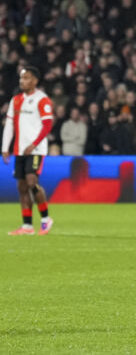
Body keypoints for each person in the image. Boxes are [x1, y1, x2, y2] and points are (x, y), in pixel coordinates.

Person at [2, 67, 55, 235]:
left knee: (32, 182)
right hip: (19, 150)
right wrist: (5, 147)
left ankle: (46, 219)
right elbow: (9, 125)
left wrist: (34, 144)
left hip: (36, 149)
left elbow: (47, 125)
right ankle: (27, 226)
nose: (22, 81)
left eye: (26, 78)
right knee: (22, 187)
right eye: (21, 78)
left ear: (35, 81)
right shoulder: (16, 100)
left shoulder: (42, 100)